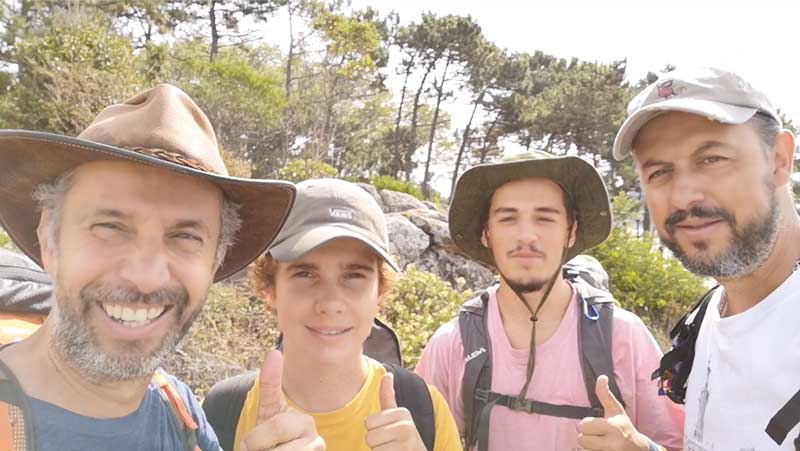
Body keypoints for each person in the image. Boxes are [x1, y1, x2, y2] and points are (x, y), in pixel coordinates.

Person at [0, 84, 318, 450]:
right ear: (49, 238)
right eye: (110, 227)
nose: (146, 276)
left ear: (214, 260)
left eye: (184, 236)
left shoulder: (179, 411)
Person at [415, 151, 684, 450]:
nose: (526, 235)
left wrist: (639, 447)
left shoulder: (623, 337)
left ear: (571, 232)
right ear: (486, 234)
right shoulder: (453, 345)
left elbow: (678, 444)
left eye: (545, 218)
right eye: (508, 218)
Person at [614, 67, 800, 450]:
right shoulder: (706, 318)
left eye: (712, 159)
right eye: (660, 172)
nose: (683, 197)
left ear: (780, 159)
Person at [203, 178, 462, 451]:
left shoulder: (424, 410)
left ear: (380, 293)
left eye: (353, 276)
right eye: (305, 274)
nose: (330, 303)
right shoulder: (222, 413)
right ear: (269, 288)